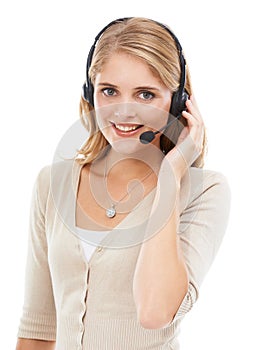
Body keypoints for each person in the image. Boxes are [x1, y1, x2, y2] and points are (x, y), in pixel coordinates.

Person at [16, 17, 231, 350]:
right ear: (90, 94)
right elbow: (37, 330)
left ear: (177, 102)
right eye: (109, 91)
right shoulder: (52, 183)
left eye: (146, 94)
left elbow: (155, 311)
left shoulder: (205, 192)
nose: (124, 111)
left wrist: (170, 176)